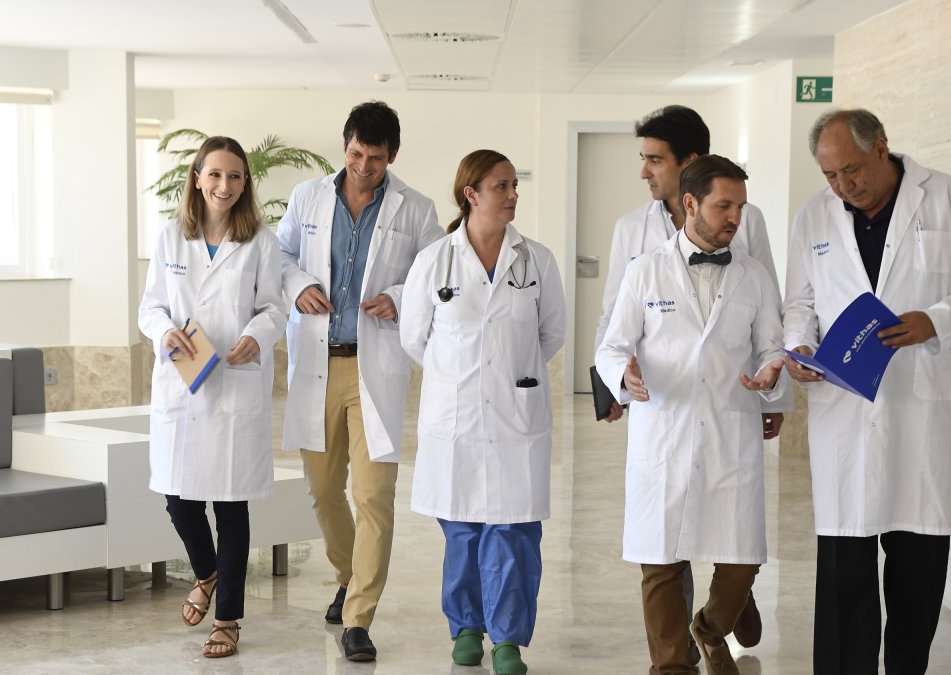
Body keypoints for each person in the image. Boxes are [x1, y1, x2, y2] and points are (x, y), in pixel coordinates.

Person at [783, 108, 951, 675]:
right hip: (846, 410)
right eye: (830, 176)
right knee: (843, 575)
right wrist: (800, 347)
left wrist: (937, 319)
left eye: (852, 170)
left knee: (917, 575)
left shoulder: (948, 199)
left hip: (924, 414)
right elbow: (800, 304)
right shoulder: (815, 216)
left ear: (882, 148)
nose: (843, 186)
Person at [593, 104, 774, 658]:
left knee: (741, 552)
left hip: (730, 423)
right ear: (691, 204)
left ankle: (714, 620)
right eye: (724, 207)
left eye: (739, 208)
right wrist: (619, 377)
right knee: (661, 556)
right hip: (664, 426)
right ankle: (670, 665)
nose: (735, 220)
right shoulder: (644, 267)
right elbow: (612, 339)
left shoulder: (753, 273)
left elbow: (773, 341)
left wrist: (773, 379)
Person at [275, 101, 441, 662]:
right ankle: (347, 574)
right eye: (354, 154)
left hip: (376, 364)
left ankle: (359, 618)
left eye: (374, 158)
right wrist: (297, 283)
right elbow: (278, 255)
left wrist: (396, 298)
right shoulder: (308, 198)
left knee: (373, 495)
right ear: (343, 146)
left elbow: (433, 273)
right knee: (323, 490)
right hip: (318, 362)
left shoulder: (416, 209)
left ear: (392, 155)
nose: (363, 167)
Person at [400, 149, 566, 675]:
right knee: (464, 530)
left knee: (514, 530)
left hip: (517, 416)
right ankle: (468, 627)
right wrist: (460, 377)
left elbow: (552, 333)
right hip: (457, 417)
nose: (514, 194)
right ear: (471, 193)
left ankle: (509, 641)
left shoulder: (535, 259)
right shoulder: (435, 260)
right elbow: (414, 338)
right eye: (502, 186)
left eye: (515, 184)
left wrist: (502, 372)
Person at [138, 136, 286, 659]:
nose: (225, 186)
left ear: (245, 185)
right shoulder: (170, 237)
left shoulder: (260, 242)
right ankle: (207, 573)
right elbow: (150, 306)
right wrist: (163, 333)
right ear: (198, 177)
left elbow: (273, 307)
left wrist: (259, 334)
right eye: (216, 175)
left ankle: (227, 619)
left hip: (233, 381)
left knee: (231, 504)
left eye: (236, 177)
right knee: (178, 499)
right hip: (183, 383)